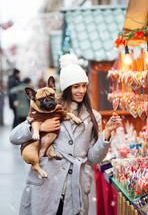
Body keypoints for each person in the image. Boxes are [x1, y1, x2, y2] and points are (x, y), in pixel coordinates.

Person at [9, 54, 122, 215]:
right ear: (67, 88)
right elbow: (13, 137)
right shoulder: (48, 108)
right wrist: (40, 127)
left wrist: (107, 132)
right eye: (76, 86)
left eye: (84, 85)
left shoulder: (93, 116)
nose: (81, 90)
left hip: (74, 188)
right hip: (45, 185)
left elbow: (93, 158)